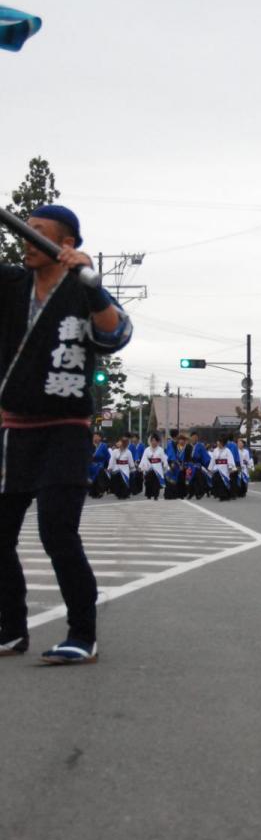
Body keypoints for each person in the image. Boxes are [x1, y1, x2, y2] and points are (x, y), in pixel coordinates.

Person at [0, 204, 132, 664]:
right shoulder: (11, 284)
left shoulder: (84, 290)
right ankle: (11, 629)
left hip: (65, 431)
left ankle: (82, 633)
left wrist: (92, 283)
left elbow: (115, 335)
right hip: (13, 430)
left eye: (37, 234)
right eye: (23, 231)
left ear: (66, 244)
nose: (25, 240)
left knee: (58, 532)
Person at [140, 433, 168, 500]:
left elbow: (164, 458)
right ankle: (148, 495)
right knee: (148, 482)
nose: (153, 442)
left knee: (156, 483)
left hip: (157, 468)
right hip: (149, 468)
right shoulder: (147, 449)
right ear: (150, 441)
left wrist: (165, 465)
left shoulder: (160, 450)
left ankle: (156, 495)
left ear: (158, 442)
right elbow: (144, 458)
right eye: (152, 441)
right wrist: (142, 467)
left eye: (155, 441)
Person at [188, 431, 210, 498]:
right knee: (189, 479)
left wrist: (207, 464)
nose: (195, 439)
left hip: (197, 464)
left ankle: (199, 493)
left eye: (196, 437)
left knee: (198, 479)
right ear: (191, 438)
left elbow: (205, 456)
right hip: (189, 465)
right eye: (193, 437)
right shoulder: (188, 446)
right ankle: (190, 492)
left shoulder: (200, 446)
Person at [88, 431, 110, 498]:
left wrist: (108, 466)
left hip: (100, 463)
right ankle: (92, 491)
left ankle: (100, 490)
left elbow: (107, 457)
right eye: (94, 436)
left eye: (96, 436)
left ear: (100, 438)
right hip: (91, 463)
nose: (95, 438)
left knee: (99, 471)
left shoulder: (103, 446)